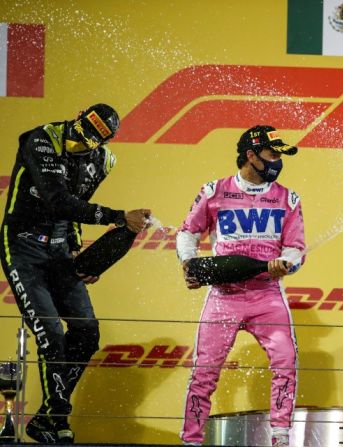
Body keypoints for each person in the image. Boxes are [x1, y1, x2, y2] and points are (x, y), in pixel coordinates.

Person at [0, 104, 151, 443]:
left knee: (86, 333)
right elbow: (57, 200)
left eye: (94, 136)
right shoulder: (41, 139)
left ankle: (44, 420)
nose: (82, 138)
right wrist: (117, 216)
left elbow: (77, 203)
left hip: (57, 252)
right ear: (80, 114)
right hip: (22, 248)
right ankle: (57, 419)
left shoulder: (103, 161)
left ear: (104, 141)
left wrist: (77, 252)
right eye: (85, 125)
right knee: (51, 333)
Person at [177, 125, 305, 447]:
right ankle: (191, 441)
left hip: (267, 294)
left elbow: (296, 247)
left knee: (285, 363)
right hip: (224, 296)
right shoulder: (213, 191)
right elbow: (187, 232)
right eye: (272, 154)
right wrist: (189, 264)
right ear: (251, 154)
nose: (278, 161)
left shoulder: (288, 198)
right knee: (204, 373)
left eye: (280, 155)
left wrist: (286, 263)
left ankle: (280, 437)